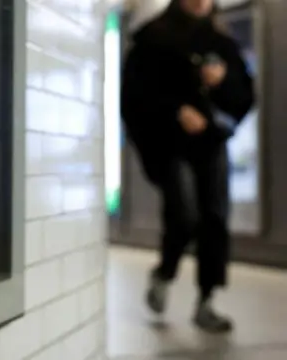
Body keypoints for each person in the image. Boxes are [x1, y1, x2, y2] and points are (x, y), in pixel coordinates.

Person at [121, 0, 254, 333]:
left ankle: (207, 301)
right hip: (169, 145)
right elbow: (134, 97)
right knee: (183, 214)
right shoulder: (152, 39)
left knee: (214, 218)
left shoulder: (223, 43)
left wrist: (221, 82)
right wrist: (175, 112)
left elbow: (244, 98)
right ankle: (165, 272)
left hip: (211, 144)